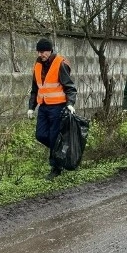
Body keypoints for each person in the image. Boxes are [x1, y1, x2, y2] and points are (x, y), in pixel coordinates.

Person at [27, 38, 78, 180]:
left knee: (54, 136)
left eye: (43, 51)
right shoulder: (37, 65)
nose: (40, 54)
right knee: (40, 135)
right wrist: (31, 107)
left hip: (58, 107)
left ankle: (56, 168)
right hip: (43, 106)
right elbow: (35, 89)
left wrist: (70, 103)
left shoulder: (60, 63)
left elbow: (70, 87)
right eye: (38, 52)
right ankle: (63, 152)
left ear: (50, 51)